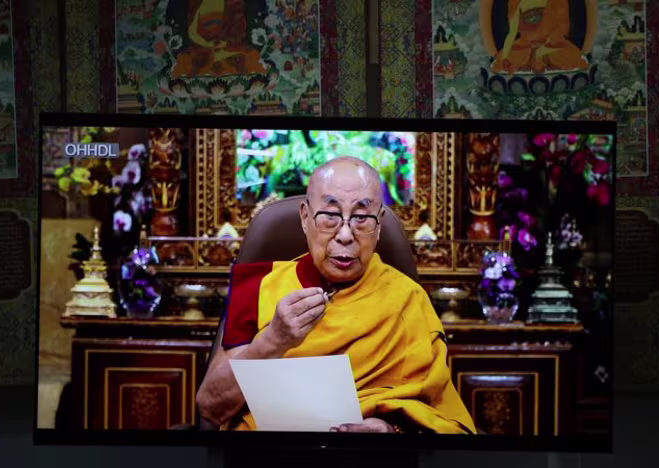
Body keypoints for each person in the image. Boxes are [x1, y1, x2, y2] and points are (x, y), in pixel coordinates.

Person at [196, 157, 476, 434]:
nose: (345, 234)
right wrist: (273, 340)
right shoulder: (260, 288)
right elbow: (211, 407)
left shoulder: (407, 299)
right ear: (305, 217)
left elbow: (444, 422)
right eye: (330, 216)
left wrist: (390, 431)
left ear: (379, 223)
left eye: (361, 218)